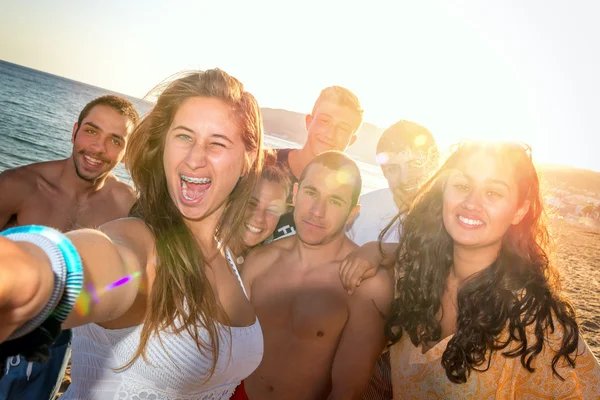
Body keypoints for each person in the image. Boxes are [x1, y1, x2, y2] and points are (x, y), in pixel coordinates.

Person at [0, 69, 265, 399]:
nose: (195, 158)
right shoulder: (140, 243)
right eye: (184, 136)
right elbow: (93, 264)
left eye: (217, 143)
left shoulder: (227, 255)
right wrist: (27, 279)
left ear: (248, 158)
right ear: (164, 145)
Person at [348, 141, 600, 398]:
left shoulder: (536, 323)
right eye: (462, 186)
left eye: (493, 193)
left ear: (519, 211)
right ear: (444, 191)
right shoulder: (413, 275)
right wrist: (376, 250)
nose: (471, 202)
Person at [0, 94, 139, 400]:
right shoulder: (19, 186)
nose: (98, 148)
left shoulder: (128, 206)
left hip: (58, 343)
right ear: (74, 131)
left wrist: (95, 301)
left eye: (115, 140)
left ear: (126, 152)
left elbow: (132, 277)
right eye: (91, 131)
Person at [241, 151, 393, 399]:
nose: (317, 211)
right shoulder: (259, 261)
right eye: (311, 193)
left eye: (334, 201)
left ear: (352, 212)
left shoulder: (367, 285)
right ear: (296, 193)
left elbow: (348, 390)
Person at [344, 120, 438, 400]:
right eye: (393, 168)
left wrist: (386, 250)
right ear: (383, 172)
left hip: (427, 357)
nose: (406, 177)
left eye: (417, 164)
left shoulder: (456, 215)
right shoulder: (364, 211)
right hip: (360, 351)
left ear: (436, 161)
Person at [271, 86, 364, 242]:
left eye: (343, 128)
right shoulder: (264, 162)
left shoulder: (344, 192)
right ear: (309, 122)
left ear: (352, 140)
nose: (330, 134)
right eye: (324, 121)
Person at [228, 150, 291, 264]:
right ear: (232, 198)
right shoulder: (203, 252)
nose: (259, 218)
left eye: (272, 210)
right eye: (251, 204)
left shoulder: (267, 265)